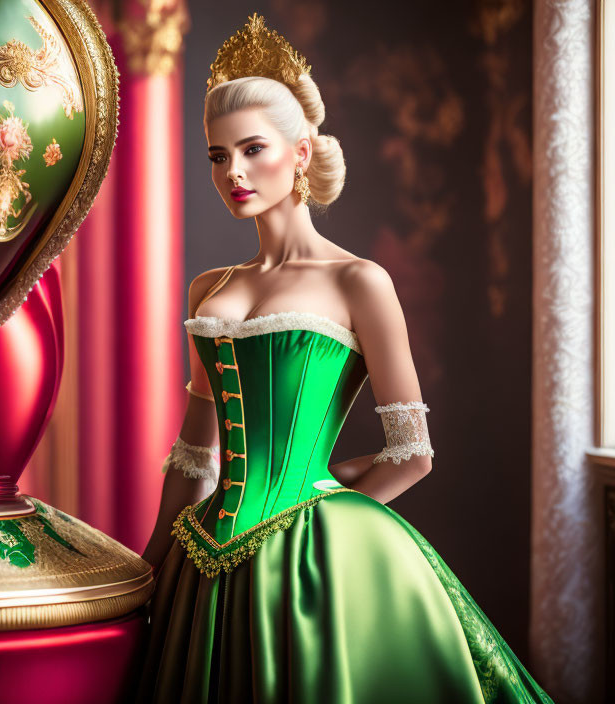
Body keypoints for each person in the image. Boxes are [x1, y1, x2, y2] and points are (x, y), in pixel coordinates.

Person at [135, 13, 555, 704]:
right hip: (200, 561)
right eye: (217, 156)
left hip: (312, 561)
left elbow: (412, 452)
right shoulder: (209, 287)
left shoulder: (359, 282)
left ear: (300, 153)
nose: (233, 172)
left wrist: (321, 514)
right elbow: (194, 455)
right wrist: (153, 564)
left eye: (252, 149)